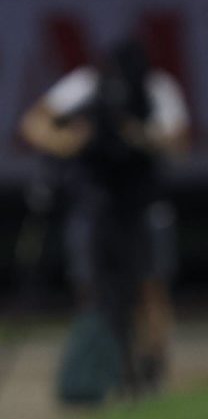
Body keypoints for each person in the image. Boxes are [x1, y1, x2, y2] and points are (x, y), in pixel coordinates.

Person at [18, 38, 189, 401]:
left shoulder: (156, 87)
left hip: (143, 203)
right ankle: (102, 366)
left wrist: (137, 135)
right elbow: (34, 124)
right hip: (96, 204)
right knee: (93, 289)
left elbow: (179, 142)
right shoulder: (87, 85)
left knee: (149, 287)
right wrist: (72, 140)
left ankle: (151, 371)